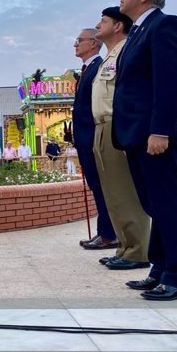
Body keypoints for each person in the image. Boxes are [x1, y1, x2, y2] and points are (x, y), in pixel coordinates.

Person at [114, 0, 177, 300]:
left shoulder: (165, 26)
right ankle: (160, 268)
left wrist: (160, 130)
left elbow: (170, 82)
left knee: (167, 205)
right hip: (136, 136)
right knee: (155, 206)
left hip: (155, 136)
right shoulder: (138, 32)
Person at [92, 6, 150, 271]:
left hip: (117, 124)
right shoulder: (109, 56)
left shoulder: (126, 50)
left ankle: (137, 251)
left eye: (103, 20)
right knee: (113, 193)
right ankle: (125, 247)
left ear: (117, 26)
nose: (97, 24)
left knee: (125, 191)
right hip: (101, 127)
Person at [72, 28, 118, 251]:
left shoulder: (99, 67)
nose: (75, 44)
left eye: (79, 40)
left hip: (93, 137)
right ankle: (104, 231)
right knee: (96, 185)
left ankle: (109, 234)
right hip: (84, 138)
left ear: (92, 43)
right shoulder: (86, 69)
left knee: (101, 186)